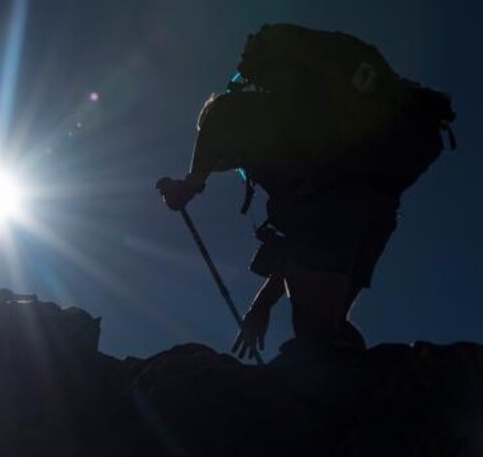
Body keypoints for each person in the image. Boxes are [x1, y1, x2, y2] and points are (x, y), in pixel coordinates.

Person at [158, 24, 453, 359]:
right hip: (374, 210)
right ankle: (370, 396)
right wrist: (260, 307)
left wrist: (189, 185)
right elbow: (298, 247)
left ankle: (356, 402)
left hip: (340, 208)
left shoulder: (232, 117)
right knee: (328, 327)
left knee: (315, 338)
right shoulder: (299, 140)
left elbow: (214, 126)